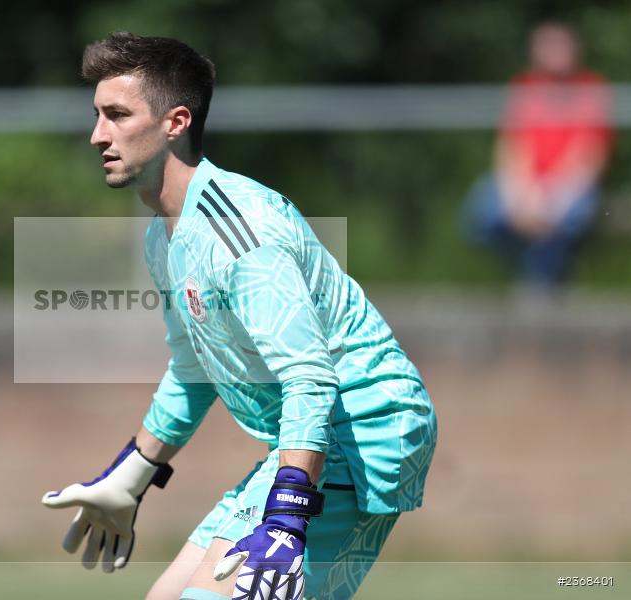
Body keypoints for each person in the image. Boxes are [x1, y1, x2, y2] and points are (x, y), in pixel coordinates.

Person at [42, 32, 437, 600]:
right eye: (97, 115)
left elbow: (310, 378)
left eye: (117, 114)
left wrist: (287, 521)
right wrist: (134, 473)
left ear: (176, 121)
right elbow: (193, 366)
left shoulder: (239, 234)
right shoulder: (166, 235)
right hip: (309, 437)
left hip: (363, 429)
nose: (97, 134)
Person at [464, 22, 613, 289]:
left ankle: (541, 285)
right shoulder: (524, 87)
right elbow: (512, 145)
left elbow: (590, 154)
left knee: (564, 218)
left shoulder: (590, 89)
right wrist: (520, 193)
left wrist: (549, 197)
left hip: (571, 183)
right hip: (526, 183)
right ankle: (539, 276)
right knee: (482, 215)